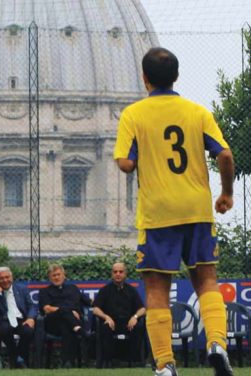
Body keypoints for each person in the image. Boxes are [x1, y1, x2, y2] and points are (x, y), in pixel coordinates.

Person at [114, 47, 235, 376]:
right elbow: (224, 155)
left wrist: (132, 160)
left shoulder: (134, 115)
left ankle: (165, 365)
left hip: (158, 213)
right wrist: (226, 193)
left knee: (156, 290)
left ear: (145, 78)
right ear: (177, 77)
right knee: (207, 280)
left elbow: (126, 162)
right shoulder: (196, 111)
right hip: (196, 209)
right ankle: (216, 343)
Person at [38, 264, 91, 368]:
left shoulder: (73, 288)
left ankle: (67, 362)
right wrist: (69, 311)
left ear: (64, 275)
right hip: (53, 324)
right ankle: (79, 331)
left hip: (69, 324)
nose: (56, 277)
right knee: (66, 318)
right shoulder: (44, 291)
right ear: (49, 277)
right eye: (54, 275)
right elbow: (47, 309)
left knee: (67, 326)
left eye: (58, 274)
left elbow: (89, 302)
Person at [92, 262, 146, 366]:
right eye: (115, 272)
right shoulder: (105, 290)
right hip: (111, 323)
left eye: (120, 272)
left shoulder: (131, 290)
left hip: (127, 323)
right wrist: (106, 317)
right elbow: (95, 309)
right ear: (111, 274)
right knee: (105, 328)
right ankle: (109, 361)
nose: (118, 274)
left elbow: (142, 309)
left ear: (125, 274)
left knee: (138, 327)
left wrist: (135, 317)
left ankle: (133, 361)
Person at [0, 266, 36, 368]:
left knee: (29, 331)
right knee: (4, 329)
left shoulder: (22, 289)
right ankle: (19, 359)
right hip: (5, 320)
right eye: (2, 278)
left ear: (12, 277)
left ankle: (16, 358)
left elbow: (31, 305)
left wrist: (30, 318)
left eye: (7, 277)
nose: (5, 280)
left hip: (21, 319)